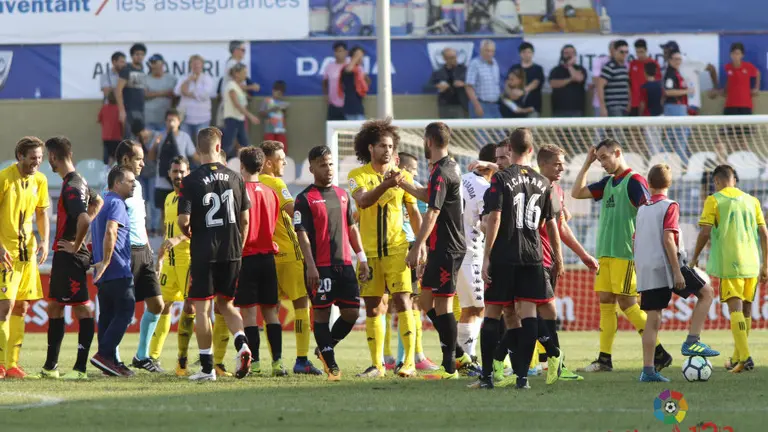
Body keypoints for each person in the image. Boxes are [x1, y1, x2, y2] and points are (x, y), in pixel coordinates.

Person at [571, 139, 672, 373]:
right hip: (605, 253)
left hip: (625, 254)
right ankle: (604, 359)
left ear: (618, 152)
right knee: (605, 301)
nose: (603, 162)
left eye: (605, 157)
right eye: (599, 158)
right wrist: (587, 163)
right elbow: (576, 192)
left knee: (627, 303)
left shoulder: (634, 181)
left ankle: (659, 352)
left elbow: (648, 212)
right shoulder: (607, 183)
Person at [480, 128, 565, 390]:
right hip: (533, 256)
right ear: (530, 150)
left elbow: (494, 217)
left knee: (493, 314)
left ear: (510, 150)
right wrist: (559, 257)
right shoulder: (544, 182)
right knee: (528, 314)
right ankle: (523, 378)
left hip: (505, 254)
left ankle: (486, 377)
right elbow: (551, 223)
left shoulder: (501, 178)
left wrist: (486, 256)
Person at [348, 118, 422, 378]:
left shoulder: (406, 177)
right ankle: (377, 365)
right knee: (374, 307)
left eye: (390, 146)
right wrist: (388, 184)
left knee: (404, 301)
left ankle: (408, 363)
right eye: (382, 145)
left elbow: (414, 213)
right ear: (370, 148)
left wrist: (419, 245)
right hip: (368, 253)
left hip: (398, 249)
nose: (387, 150)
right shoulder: (357, 176)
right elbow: (364, 201)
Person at [177, 127, 253, 381]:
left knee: (202, 309)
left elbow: (183, 219)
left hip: (204, 251)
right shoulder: (236, 177)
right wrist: (238, 247)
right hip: (232, 250)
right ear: (219, 148)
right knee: (227, 304)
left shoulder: (190, 181)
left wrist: (187, 230)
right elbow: (245, 219)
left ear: (198, 151)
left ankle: (207, 368)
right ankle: (242, 343)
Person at [636, 164, 719, 383]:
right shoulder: (669, 206)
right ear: (669, 184)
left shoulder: (642, 208)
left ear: (649, 183)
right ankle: (692, 340)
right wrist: (676, 272)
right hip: (669, 264)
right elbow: (668, 240)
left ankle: (648, 371)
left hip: (647, 267)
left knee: (653, 319)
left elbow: (637, 239)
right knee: (707, 292)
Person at [294, 145, 368, 381]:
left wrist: (362, 257)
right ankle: (332, 365)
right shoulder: (304, 198)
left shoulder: (343, 194)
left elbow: (352, 228)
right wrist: (311, 266)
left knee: (351, 312)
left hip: (345, 265)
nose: (328, 169)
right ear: (312, 167)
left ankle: (325, 347)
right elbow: (302, 234)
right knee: (322, 316)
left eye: (331, 164)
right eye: (323, 165)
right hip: (321, 267)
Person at [34, 137, 103, 380]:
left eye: (47, 157)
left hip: (69, 256)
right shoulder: (80, 181)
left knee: (82, 309)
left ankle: (79, 369)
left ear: (53, 156)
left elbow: (84, 218)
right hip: (69, 255)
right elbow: (98, 202)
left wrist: (75, 243)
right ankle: (51, 367)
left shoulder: (72, 186)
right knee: (55, 305)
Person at [690, 165, 768, 373]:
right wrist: (765, 264)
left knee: (735, 309)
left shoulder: (714, 200)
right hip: (752, 262)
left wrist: (694, 258)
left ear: (716, 181)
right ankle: (736, 359)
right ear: (734, 179)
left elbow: (705, 233)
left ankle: (745, 357)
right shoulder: (753, 201)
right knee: (747, 309)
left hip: (731, 262)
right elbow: (764, 233)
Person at [404, 122, 466, 380]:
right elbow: (429, 196)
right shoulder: (448, 167)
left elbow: (432, 212)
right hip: (441, 246)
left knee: (443, 305)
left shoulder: (442, 171)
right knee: (426, 301)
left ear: (428, 141)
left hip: (447, 247)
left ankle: (450, 367)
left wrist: (417, 247)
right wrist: (402, 182)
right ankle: (459, 354)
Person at [258, 140, 322, 375]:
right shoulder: (275, 183)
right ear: (267, 162)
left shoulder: (251, 184)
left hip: (266, 255)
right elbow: (293, 212)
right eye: (280, 157)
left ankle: (275, 362)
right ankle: (302, 360)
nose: (284, 161)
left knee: (270, 309)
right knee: (301, 304)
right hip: (288, 254)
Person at [234, 147, 287, 377]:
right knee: (271, 313)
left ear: (241, 166)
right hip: (268, 258)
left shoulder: (237, 192)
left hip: (246, 257)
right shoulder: (271, 192)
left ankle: (254, 364)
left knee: (249, 315)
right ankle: (277, 363)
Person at [0, 137, 50, 379]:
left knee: (21, 306)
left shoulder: (40, 180)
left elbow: (41, 213)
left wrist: (44, 240)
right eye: (33, 158)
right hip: (5, 254)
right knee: (4, 307)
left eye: (40, 158)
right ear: (20, 155)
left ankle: (12, 365)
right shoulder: (4, 178)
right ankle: (0, 362)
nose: (37, 163)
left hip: (26, 253)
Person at [113, 141, 165, 373]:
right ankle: (111, 357)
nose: (143, 163)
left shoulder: (138, 185)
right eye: (138, 159)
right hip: (125, 251)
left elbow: (138, 220)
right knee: (120, 309)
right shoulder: (115, 185)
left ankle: (141, 356)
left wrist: (148, 246)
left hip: (143, 250)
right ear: (125, 160)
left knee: (157, 304)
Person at [148, 156, 193, 376]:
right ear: (169, 173)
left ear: (188, 172)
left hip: (188, 260)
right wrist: (160, 256)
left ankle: (185, 360)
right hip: (170, 262)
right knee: (162, 306)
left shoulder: (193, 197)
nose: (179, 176)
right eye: (175, 172)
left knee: (191, 308)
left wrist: (178, 239)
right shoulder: (168, 198)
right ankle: (153, 357)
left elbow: (197, 228)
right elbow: (167, 231)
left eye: (182, 172)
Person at [89, 166, 136, 377]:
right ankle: (104, 355)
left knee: (107, 315)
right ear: (117, 183)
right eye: (130, 181)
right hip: (116, 268)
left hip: (104, 272)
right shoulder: (116, 202)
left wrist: (99, 262)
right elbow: (111, 230)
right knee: (126, 310)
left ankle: (108, 363)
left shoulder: (102, 202)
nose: (134, 184)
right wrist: (106, 261)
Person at [394, 152, 438, 371]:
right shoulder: (411, 187)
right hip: (408, 247)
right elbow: (429, 219)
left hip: (396, 248)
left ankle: (400, 356)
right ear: (400, 167)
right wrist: (424, 248)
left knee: (400, 303)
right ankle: (409, 356)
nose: (414, 174)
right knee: (410, 302)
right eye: (411, 170)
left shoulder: (393, 186)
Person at [455, 144, 496, 366]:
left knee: (469, 307)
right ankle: (468, 358)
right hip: (472, 251)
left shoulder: (463, 179)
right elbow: (485, 223)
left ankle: (464, 358)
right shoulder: (483, 188)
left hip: (457, 250)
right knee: (480, 307)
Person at [150, 109, 198, 234]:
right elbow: (150, 157)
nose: (171, 123)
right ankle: (165, 236)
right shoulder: (160, 136)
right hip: (162, 182)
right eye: (168, 120)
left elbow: (194, 155)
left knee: (182, 211)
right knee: (164, 212)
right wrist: (156, 143)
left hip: (180, 181)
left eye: (173, 120)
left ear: (179, 122)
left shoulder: (184, 136)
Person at [221, 63, 259, 159]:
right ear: (237, 74)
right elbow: (237, 104)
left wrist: (251, 87)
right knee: (227, 145)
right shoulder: (231, 86)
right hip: (232, 119)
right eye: (244, 73)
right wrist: (250, 116)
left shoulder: (238, 86)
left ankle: (252, 165)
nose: (245, 75)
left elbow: (243, 88)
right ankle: (217, 166)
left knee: (245, 145)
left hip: (240, 120)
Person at [175, 54, 214, 142]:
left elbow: (205, 95)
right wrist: (188, 81)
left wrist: (187, 93)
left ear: (202, 65)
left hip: (202, 118)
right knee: (184, 143)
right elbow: (177, 91)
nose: (196, 66)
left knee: (201, 145)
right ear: (190, 65)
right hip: (186, 118)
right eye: (194, 63)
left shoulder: (207, 78)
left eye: (198, 63)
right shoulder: (184, 77)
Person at [116, 43, 147, 138]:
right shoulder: (127, 70)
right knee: (128, 139)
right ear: (132, 55)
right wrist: (122, 111)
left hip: (141, 109)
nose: (140, 57)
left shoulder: (142, 69)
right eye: (137, 54)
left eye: (142, 54)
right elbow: (118, 91)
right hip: (129, 110)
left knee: (141, 138)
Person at [428, 47, 468, 119]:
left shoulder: (464, 70)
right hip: (445, 106)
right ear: (445, 59)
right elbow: (427, 86)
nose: (454, 59)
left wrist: (463, 84)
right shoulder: (439, 72)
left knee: (461, 128)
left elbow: (473, 83)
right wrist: (438, 86)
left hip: (461, 105)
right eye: (451, 58)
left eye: (455, 57)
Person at [548, 44, 587, 117]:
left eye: (572, 53)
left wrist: (569, 66)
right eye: (566, 53)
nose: (569, 55)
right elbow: (553, 84)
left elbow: (578, 78)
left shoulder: (580, 69)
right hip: (559, 110)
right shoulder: (556, 70)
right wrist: (570, 79)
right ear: (562, 55)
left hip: (577, 109)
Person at [466, 39, 502, 119]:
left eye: (492, 51)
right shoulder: (474, 63)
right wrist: (477, 105)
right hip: (481, 104)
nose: (489, 53)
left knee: (499, 131)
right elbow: (469, 87)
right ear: (481, 50)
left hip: (495, 105)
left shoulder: (495, 63)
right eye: (487, 50)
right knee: (482, 131)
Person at [508, 42, 544, 117]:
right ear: (520, 54)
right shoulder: (514, 68)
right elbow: (509, 85)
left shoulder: (538, 69)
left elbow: (535, 83)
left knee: (529, 129)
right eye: (524, 52)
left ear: (533, 53)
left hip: (532, 109)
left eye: (529, 52)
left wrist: (522, 91)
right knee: (517, 129)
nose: (527, 54)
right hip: (516, 109)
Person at [144, 54, 177, 133]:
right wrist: (165, 92)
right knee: (149, 144)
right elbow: (145, 94)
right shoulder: (145, 78)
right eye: (152, 63)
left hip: (166, 119)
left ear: (163, 64)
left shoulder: (172, 78)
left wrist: (153, 93)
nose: (154, 66)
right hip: (149, 118)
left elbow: (175, 95)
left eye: (156, 63)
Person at [597, 40, 630, 117]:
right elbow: (600, 86)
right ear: (615, 51)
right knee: (616, 129)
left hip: (624, 107)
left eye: (626, 52)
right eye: (622, 52)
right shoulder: (609, 67)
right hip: (613, 107)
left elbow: (626, 86)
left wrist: (629, 102)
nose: (624, 54)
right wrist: (602, 107)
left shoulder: (624, 67)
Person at [629, 39, 661, 116]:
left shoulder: (653, 64)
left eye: (641, 52)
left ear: (646, 50)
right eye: (637, 52)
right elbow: (629, 84)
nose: (639, 55)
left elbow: (658, 83)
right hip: (634, 102)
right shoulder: (633, 64)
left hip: (649, 104)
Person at [339, 46, 369, 121]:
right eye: (358, 56)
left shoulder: (360, 71)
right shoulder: (346, 68)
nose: (360, 58)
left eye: (361, 56)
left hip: (359, 106)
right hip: (350, 108)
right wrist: (356, 57)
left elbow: (366, 84)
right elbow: (348, 70)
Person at [259, 81, 290, 150]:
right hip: (269, 129)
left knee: (282, 148)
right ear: (273, 90)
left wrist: (284, 112)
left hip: (280, 129)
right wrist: (272, 109)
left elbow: (284, 116)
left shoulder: (282, 103)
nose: (279, 95)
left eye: (281, 94)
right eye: (277, 93)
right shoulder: (266, 101)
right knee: (269, 148)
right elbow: (261, 113)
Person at [323, 42, 349, 121]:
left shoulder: (351, 65)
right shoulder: (329, 66)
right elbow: (325, 82)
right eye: (337, 51)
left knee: (349, 131)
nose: (339, 53)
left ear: (346, 52)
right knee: (333, 131)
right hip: (333, 104)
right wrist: (326, 95)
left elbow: (364, 80)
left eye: (341, 51)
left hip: (348, 104)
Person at [99, 92, 123, 165]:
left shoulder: (104, 108)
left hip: (106, 136)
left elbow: (99, 119)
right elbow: (122, 122)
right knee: (117, 157)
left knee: (107, 156)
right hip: (116, 136)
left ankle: (106, 170)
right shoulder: (119, 109)